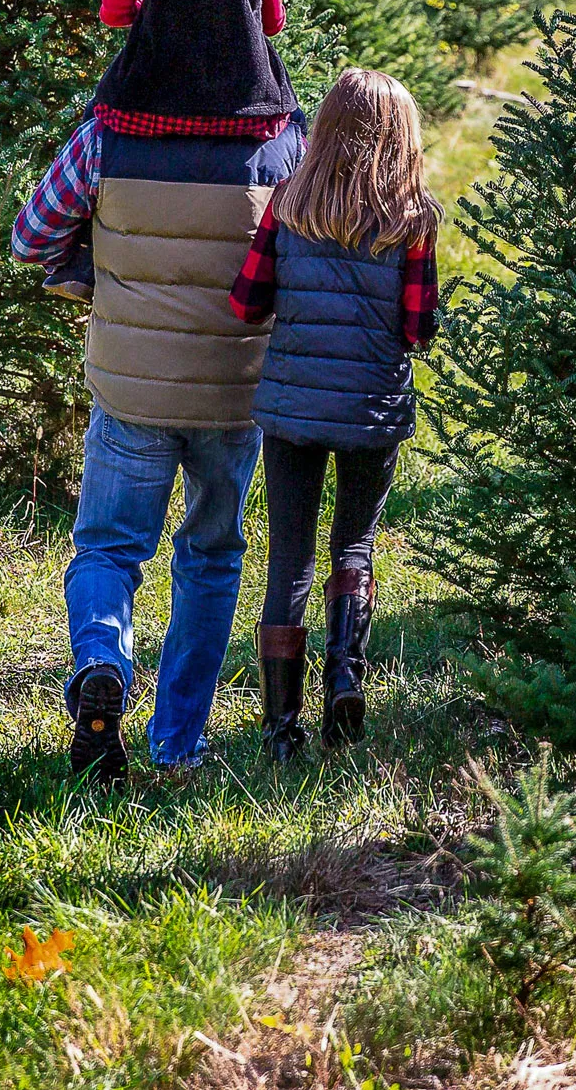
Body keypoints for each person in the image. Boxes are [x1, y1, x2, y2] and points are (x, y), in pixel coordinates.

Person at [11, 0, 304, 783]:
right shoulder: (280, 142)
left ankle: (101, 663)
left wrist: (84, 266)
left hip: (131, 386)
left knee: (107, 543)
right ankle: (180, 743)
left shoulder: (111, 129)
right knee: (212, 557)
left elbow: (30, 231)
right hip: (234, 390)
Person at [227, 69, 440, 758]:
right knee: (354, 545)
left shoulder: (288, 201)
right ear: (401, 139)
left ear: (325, 130)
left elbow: (246, 301)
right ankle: (345, 673)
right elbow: (416, 329)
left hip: (290, 408)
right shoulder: (413, 219)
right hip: (372, 409)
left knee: (287, 557)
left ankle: (280, 730)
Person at [38, 0, 299, 300]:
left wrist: (154, 9)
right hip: (243, 109)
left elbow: (113, 12)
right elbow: (272, 23)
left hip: (148, 103)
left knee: (96, 126)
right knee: (297, 126)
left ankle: (78, 259)